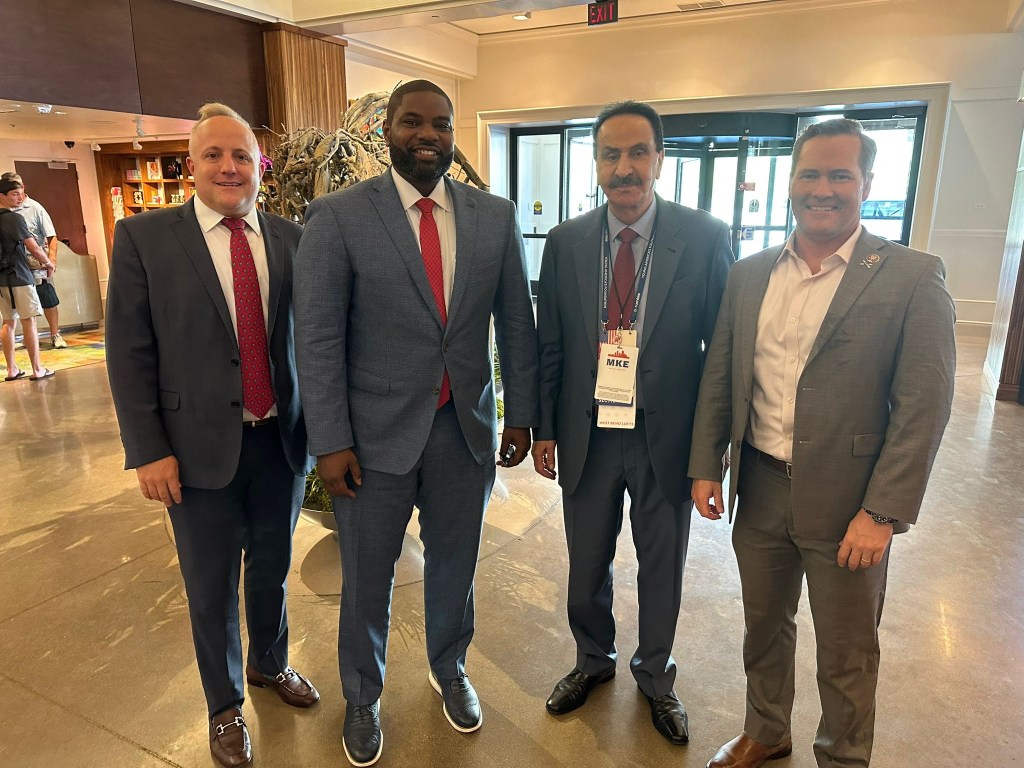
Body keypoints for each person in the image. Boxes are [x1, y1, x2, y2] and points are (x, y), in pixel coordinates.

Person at [689, 118, 956, 768]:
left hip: (849, 501)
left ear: (867, 183)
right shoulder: (750, 274)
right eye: (810, 173)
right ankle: (766, 729)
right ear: (791, 181)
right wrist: (706, 464)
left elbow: (923, 408)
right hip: (759, 488)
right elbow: (722, 373)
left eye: (840, 175)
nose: (823, 189)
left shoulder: (911, 276)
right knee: (763, 627)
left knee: (846, 649)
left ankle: (842, 757)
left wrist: (883, 512)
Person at [293, 79, 538, 767]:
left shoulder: (493, 216)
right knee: (367, 577)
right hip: (371, 441)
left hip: (464, 429)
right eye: (411, 122)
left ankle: (449, 668)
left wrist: (521, 414)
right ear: (388, 131)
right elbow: (317, 338)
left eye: (441, 123)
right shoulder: (338, 216)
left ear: (454, 133)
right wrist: (330, 441)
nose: (427, 134)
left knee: (455, 565)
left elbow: (516, 322)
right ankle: (362, 696)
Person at [105, 102, 319, 768]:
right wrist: (149, 449)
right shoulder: (144, 239)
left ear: (261, 166)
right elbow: (129, 352)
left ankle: (270, 664)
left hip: (280, 441)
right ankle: (224, 706)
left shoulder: (291, 239)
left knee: (273, 567)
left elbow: (312, 342)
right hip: (193, 451)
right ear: (191, 165)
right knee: (210, 584)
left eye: (241, 155)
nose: (229, 167)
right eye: (214, 155)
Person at [532, 100, 733, 745]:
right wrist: (543, 427)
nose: (624, 168)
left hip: (663, 438)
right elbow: (550, 343)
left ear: (659, 159)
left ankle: (655, 675)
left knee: (661, 566)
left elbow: (720, 355)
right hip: (587, 433)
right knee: (585, 562)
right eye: (610, 154)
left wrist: (710, 452)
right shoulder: (565, 242)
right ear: (595, 163)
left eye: (637, 152)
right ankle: (593, 659)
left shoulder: (704, 237)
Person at [0, 177, 56, 381]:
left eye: (21, 193)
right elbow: (33, 246)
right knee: (29, 320)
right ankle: (37, 369)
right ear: (2, 196)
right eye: (15, 194)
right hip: (20, 276)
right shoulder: (14, 218)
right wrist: (48, 263)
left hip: (2, 279)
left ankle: (12, 369)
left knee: (8, 322)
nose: (20, 198)